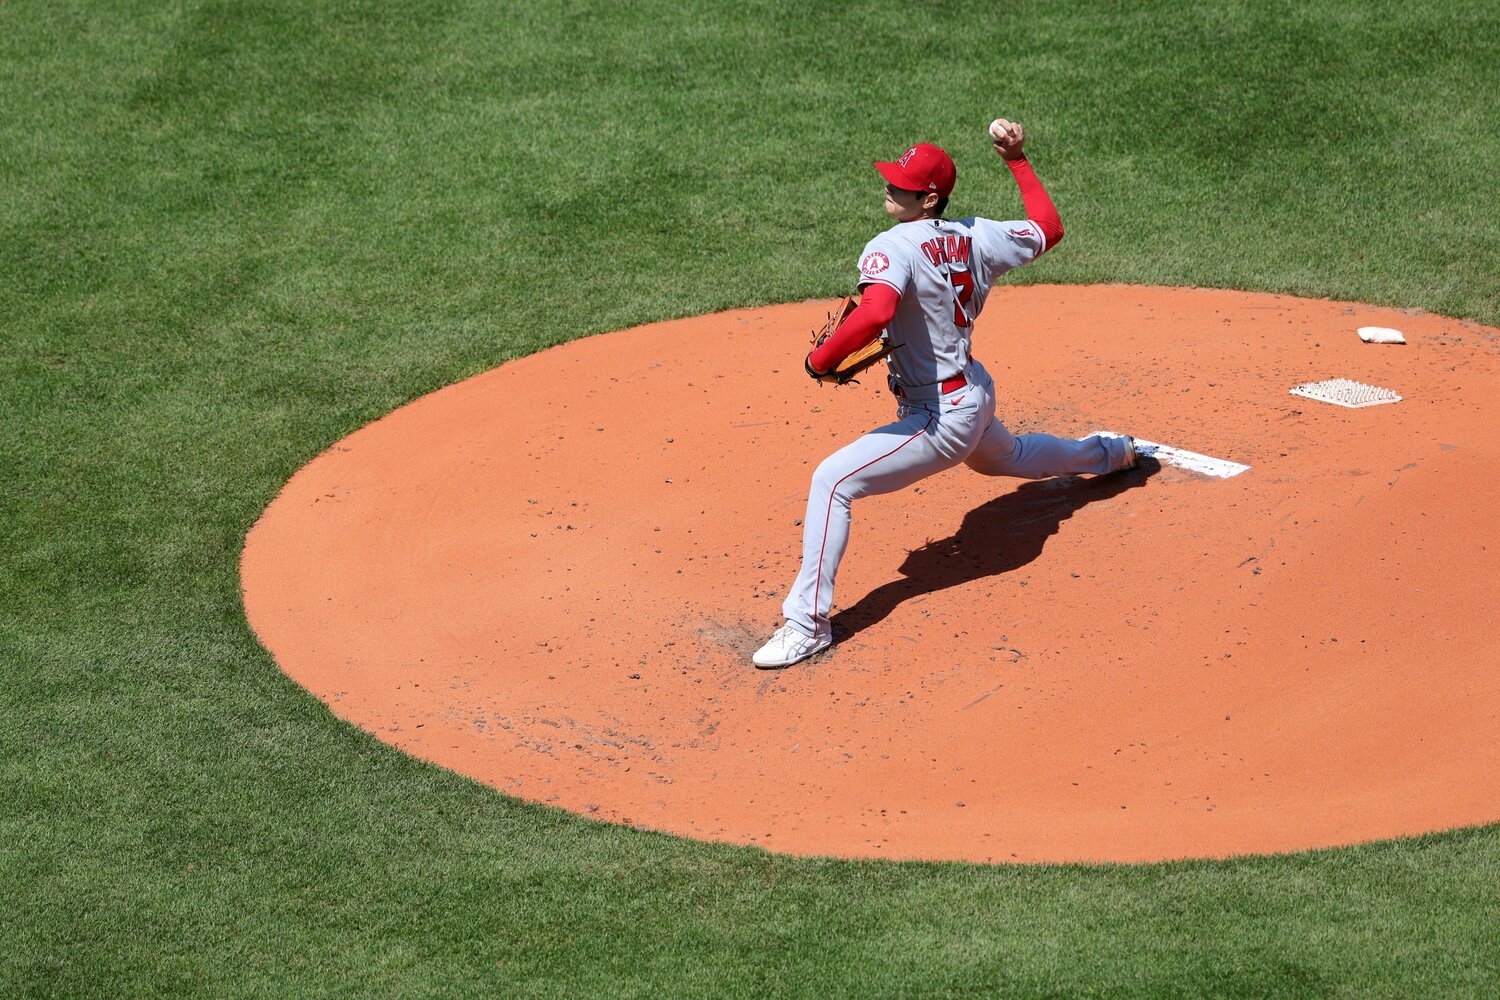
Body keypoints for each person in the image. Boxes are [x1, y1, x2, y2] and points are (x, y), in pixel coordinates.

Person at [752, 118, 1137, 669]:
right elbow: (1048, 228)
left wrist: (821, 358)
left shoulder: (891, 246)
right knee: (1010, 457)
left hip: (940, 416)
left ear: (928, 197)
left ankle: (806, 624)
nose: (889, 187)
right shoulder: (978, 235)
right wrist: (1018, 160)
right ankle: (1109, 452)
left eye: (901, 184)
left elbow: (877, 312)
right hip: (973, 394)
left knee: (831, 481)